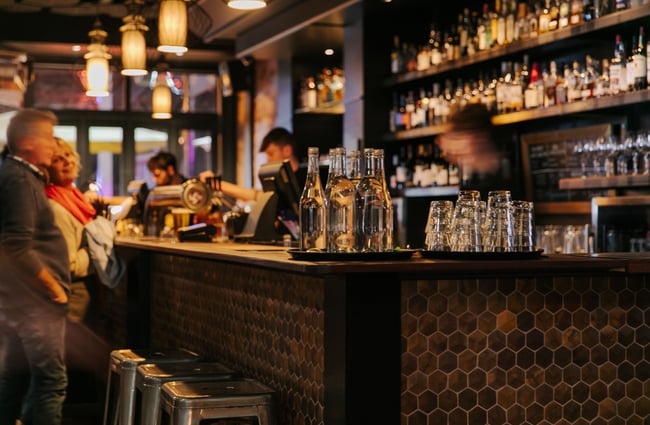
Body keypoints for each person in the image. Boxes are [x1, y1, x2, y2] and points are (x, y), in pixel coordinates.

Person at [0, 109, 70, 425]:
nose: (54, 148)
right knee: (50, 383)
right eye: (47, 139)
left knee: (16, 380)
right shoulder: (18, 178)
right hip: (35, 304)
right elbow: (16, 245)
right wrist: (53, 289)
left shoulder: (19, 174)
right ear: (27, 142)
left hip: (21, 302)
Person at [213, 127, 303, 202]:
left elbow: (261, 196)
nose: (268, 160)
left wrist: (218, 184)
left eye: (271, 154)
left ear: (287, 150)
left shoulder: (304, 181)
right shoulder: (280, 182)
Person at [435, 103, 503, 177]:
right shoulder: (470, 169)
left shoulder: (503, 170)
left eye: (458, 137)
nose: (455, 149)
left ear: (481, 137)